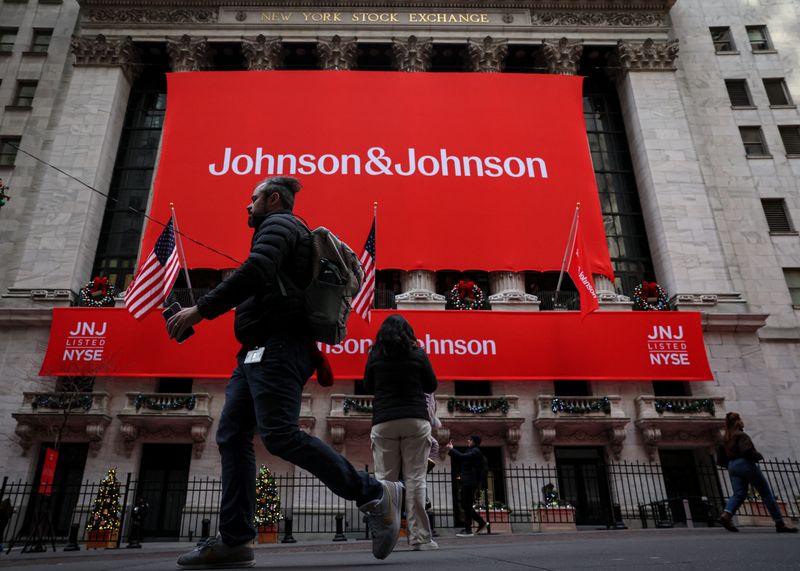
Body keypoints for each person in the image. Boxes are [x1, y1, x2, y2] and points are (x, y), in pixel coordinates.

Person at [167, 176, 403, 569]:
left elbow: (257, 270)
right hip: (257, 352)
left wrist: (200, 310)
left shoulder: (279, 224)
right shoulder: (279, 229)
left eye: (254, 198)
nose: (248, 205)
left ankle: (375, 493)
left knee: (279, 435)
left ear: (273, 199)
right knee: (231, 435)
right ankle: (235, 539)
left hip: (278, 348)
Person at [365, 315, 438, 551]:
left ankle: (387, 537)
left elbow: (368, 386)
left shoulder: (374, 354)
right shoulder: (418, 353)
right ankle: (420, 538)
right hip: (415, 420)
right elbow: (431, 385)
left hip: (384, 420)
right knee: (416, 480)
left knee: (385, 481)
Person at [717, 412, 797, 533]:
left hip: (732, 466)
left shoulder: (725, 438)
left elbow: (720, 458)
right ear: (738, 421)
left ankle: (726, 515)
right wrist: (758, 456)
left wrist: (729, 465)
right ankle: (779, 523)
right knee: (765, 493)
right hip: (744, 463)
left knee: (738, 494)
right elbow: (747, 451)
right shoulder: (741, 435)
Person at [446, 435, 487, 537]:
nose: (468, 441)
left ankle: (468, 529)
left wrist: (452, 449)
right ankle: (481, 523)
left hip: (470, 482)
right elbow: (462, 459)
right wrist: (452, 450)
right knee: (465, 505)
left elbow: (461, 457)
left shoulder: (476, 451)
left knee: (466, 504)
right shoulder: (471, 450)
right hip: (468, 482)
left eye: (470, 440)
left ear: (474, 442)